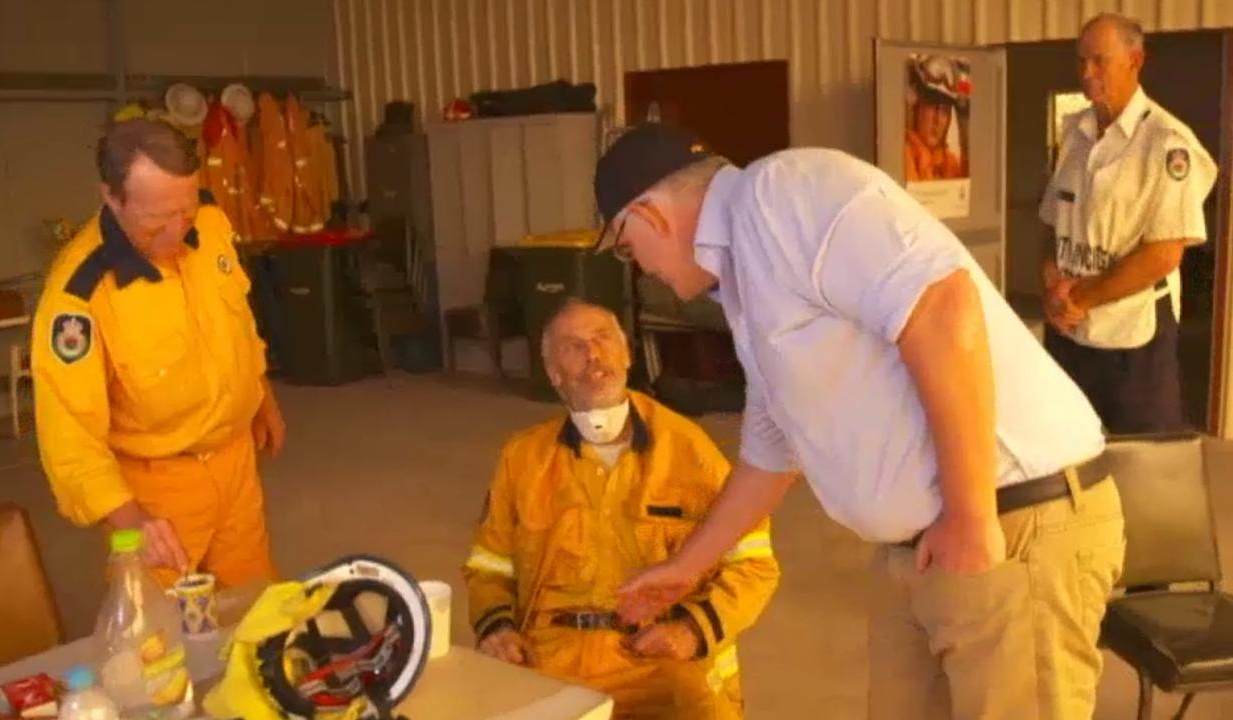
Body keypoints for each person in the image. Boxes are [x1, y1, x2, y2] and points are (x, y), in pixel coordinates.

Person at [594, 123, 1122, 719]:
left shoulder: (784, 194)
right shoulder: (744, 279)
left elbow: (942, 307)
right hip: (922, 548)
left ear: (651, 215)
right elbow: (772, 447)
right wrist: (687, 568)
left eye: (624, 245)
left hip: (1008, 522)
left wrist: (971, 519)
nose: (637, 265)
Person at [463, 300, 778, 719]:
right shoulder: (522, 459)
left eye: (602, 339)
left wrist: (691, 630)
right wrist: (496, 627)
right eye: (574, 347)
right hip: (552, 657)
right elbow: (489, 567)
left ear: (627, 354)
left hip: (660, 655)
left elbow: (754, 565)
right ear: (554, 374)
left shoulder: (690, 451)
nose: (594, 355)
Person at [32, 118, 285, 588]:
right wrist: (131, 519)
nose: (176, 234)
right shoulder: (79, 296)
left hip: (235, 465)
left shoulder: (210, 224)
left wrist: (260, 394)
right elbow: (68, 434)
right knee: (164, 643)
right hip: (158, 490)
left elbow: (237, 324)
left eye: (184, 212)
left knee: (258, 613)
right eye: (156, 222)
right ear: (112, 197)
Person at [1041, 13, 1216, 433]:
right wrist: (1050, 285)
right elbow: (1051, 224)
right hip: (1071, 335)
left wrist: (1080, 297)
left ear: (1136, 60)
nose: (1086, 73)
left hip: (1133, 342)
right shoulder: (1074, 135)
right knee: (1073, 451)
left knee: (1141, 466)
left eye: (1100, 61)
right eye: (1081, 60)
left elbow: (1162, 255)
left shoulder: (1168, 144)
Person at [904, 55, 969, 182]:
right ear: (916, 106)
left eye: (945, 110)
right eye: (932, 106)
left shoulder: (950, 162)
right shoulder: (902, 155)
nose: (938, 120)